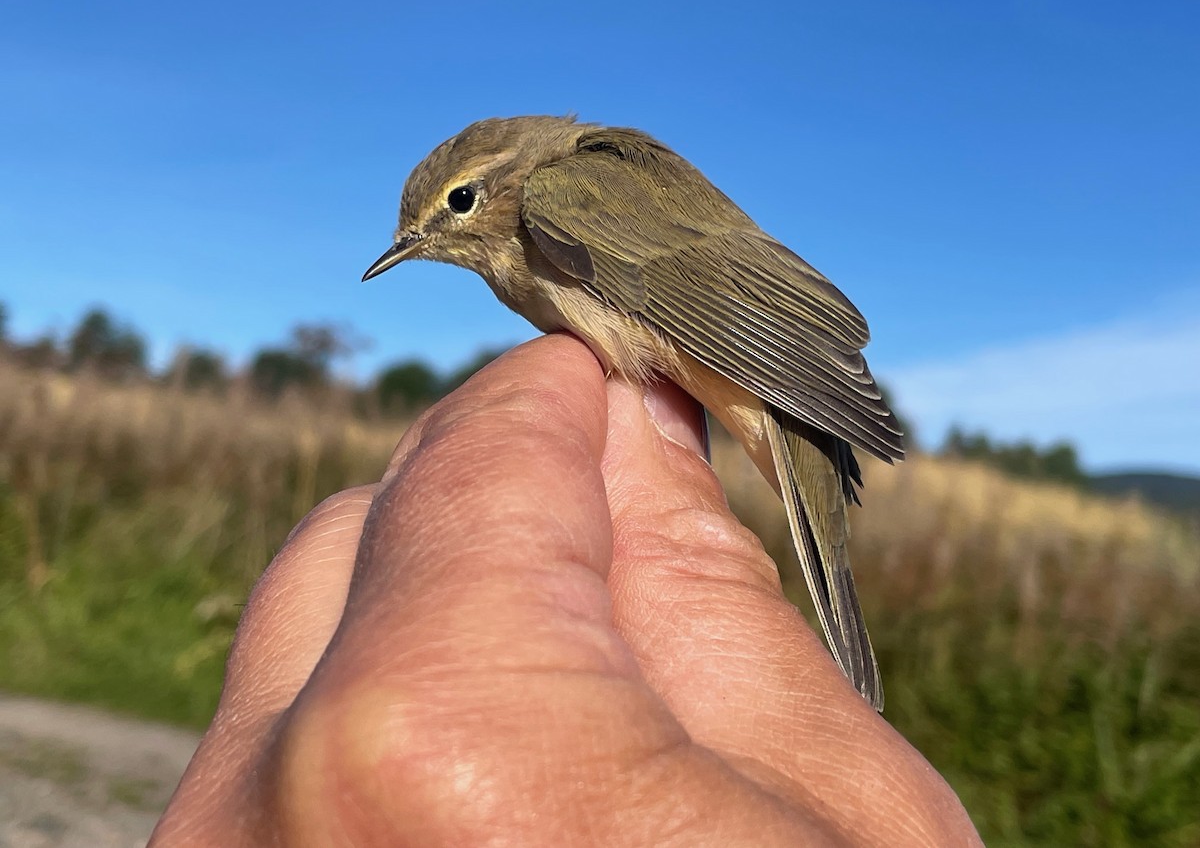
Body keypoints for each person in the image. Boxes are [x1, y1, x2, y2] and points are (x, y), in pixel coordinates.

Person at [151, 335, 981, 846]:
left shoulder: (560, 188)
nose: (442, 236)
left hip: (760, 356)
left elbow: (693, 297)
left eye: (462, 205)